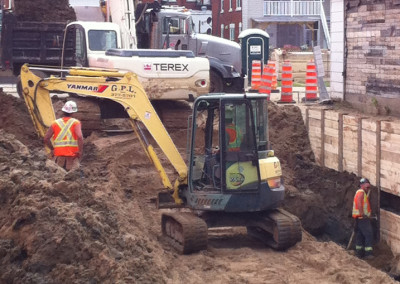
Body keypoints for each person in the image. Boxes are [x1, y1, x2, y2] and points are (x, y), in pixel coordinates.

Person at [44, 100, 84, 171]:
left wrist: (52, 149)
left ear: (63, 111)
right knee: (74, 177)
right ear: (73, 112)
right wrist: (80, 151)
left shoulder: (55, 123)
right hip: (72, 157)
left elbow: (46, 138)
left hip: (58, 157)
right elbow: (80, 137)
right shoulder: (76, 123)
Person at [352, 178, 374, 259]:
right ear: (361, 185)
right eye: (366, 187)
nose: (368, 189)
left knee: (360, 235)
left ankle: (359, 253)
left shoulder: (360, 192)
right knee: (368, 234)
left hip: (359, 218)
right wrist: (362, 213)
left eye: (369, 187)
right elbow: (359, 203)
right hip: (362, 218)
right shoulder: (361, 192)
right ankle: (368, 254)